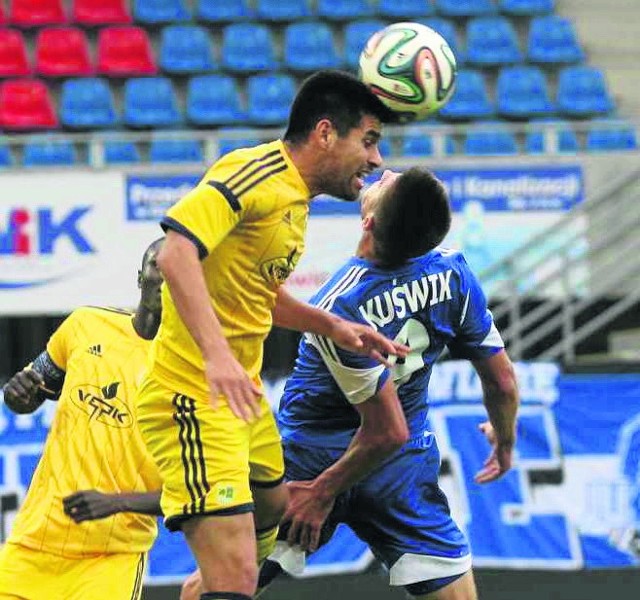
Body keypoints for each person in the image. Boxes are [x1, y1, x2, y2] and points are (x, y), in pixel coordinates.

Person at [181, 167, 520, 600]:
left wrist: (323, 491)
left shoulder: (341, 305)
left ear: (369, 221)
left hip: (312, 463)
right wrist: (504, 440)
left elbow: (384, 429)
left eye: (386, 184)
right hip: (401, 465)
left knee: (215, 588)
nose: (386, 171)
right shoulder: (455, 274)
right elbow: (503, 382)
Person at [136, 70, 409, 600]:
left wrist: (336, 326)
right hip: (192, 396)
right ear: (326, 133)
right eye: (369, 141)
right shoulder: (254, 171)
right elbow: (174, 253)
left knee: (272, 510)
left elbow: (256, 294)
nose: (376, 160)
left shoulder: (295, 201)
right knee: (237, 579)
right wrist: (216, 357)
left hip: (244, 403)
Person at [0, 239, 165, 600]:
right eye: (157, 266)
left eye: (179, 271)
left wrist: (118, 502)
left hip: (110, 558)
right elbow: (30, 395)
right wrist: (16, 396)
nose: (165, 277)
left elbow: (203, 493)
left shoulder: (196, 372)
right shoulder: (86, 326)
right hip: (33, 543)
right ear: (141, 276)